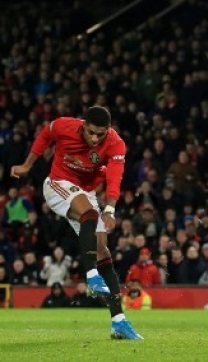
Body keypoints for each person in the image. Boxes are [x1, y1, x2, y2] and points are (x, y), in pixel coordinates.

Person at [10, 106, 143, 340]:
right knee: (90, 215)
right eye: (91, 132)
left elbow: (115, 178)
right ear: (83, 125)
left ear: (108, 130)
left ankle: (118, 322)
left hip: (86, 194)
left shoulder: (115, 144)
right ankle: (91, 276)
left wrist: (110, 209)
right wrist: (27, 165)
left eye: (100, 134)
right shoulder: (64, 125)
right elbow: (44, 135)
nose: (95, 138)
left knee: (102, 248)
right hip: (57, 184)